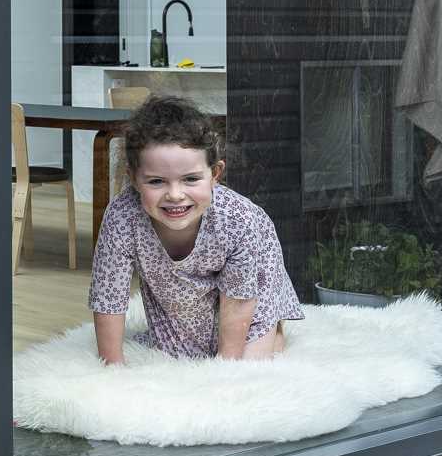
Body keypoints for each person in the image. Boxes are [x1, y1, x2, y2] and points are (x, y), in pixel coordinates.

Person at [88, 94, 302, 366]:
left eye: (190, 179)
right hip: (176, 292)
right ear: (133, 178)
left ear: (214, 174)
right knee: (181, 355)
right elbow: (108, 296)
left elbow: (238, 302)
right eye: (156, 181)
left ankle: (274, 330)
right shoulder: (122, 217)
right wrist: (112, 366)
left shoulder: (238, 220)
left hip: (249, 289)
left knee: (250, 363)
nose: (175, 195)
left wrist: (225, 368)